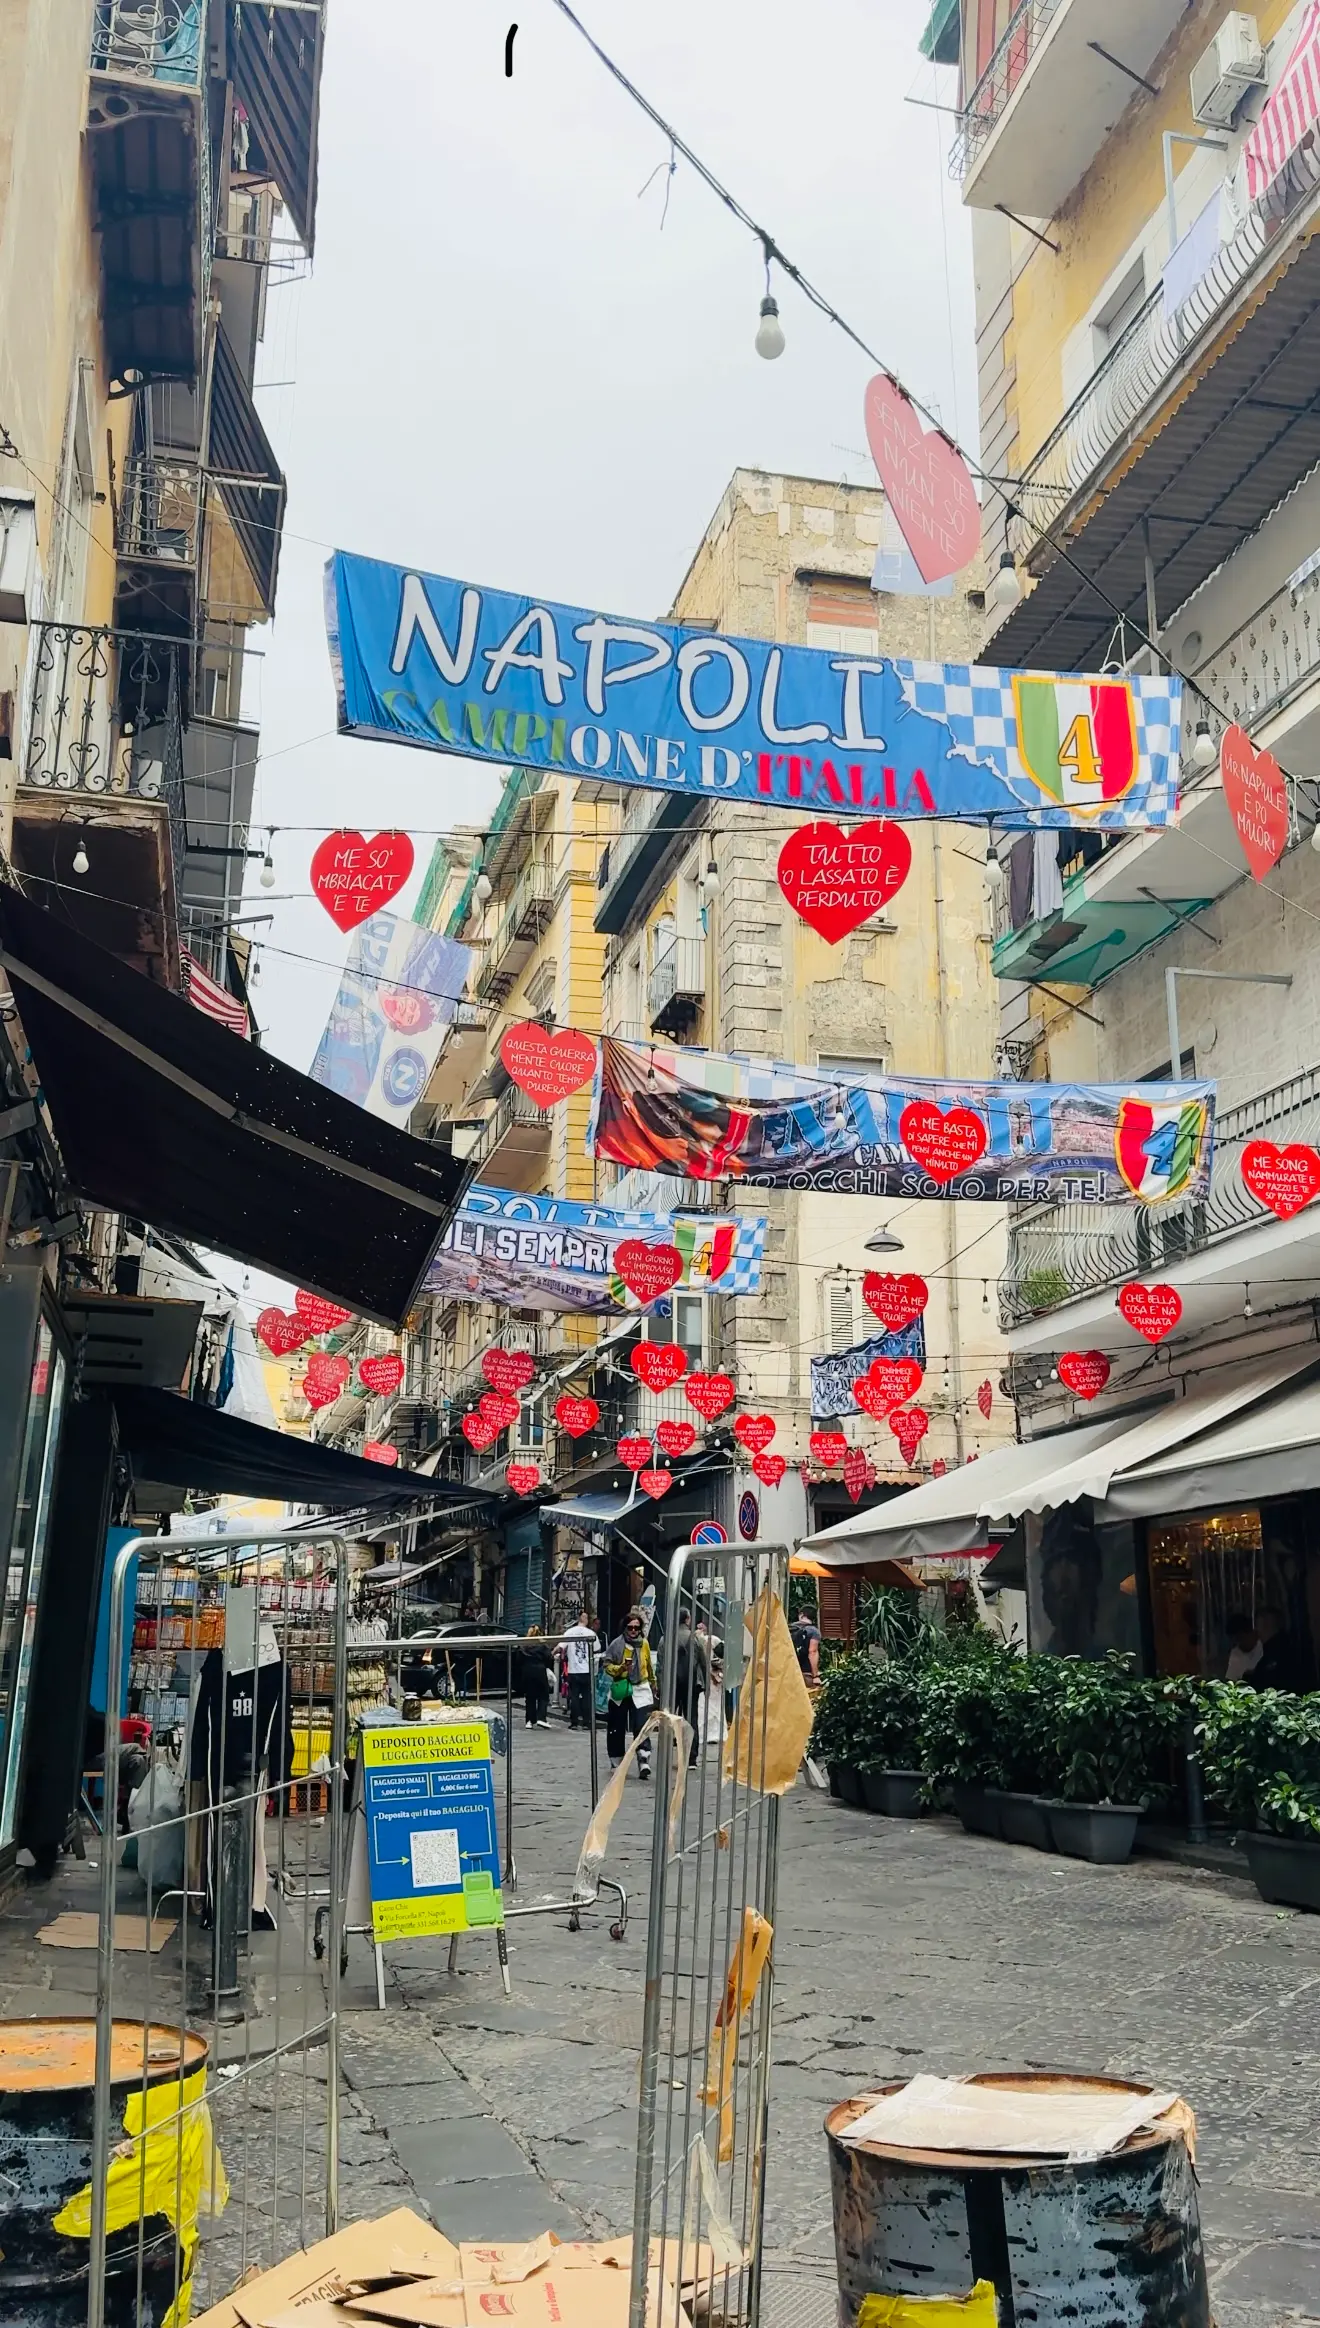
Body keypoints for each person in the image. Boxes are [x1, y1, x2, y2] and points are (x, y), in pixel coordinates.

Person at [604, 1609, 655, 1776]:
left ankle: (643, 1758)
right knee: (617, 1725)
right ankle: (616, 1760)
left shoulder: (644, 1644)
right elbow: (607, 1666)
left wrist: (654, 1683)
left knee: (642, 1724)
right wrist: (621, 1668)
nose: (634, 1631)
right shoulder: (616, 1644)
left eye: (637, 1628)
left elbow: (648, 1666)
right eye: (630, 1627)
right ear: (624, 1628)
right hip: (621, 1687)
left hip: (641, 1687)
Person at [671, 1608, 708, 1764]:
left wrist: (659, 1684)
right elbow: (703, 1662)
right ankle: (691, 1756)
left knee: (671, 1718)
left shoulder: (667, 1638)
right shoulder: (694, 1639)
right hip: (691, 1684)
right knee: (692, 1718)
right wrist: (705, 1684)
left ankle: (670, 1753)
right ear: (687, 1620)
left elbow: (660, 1663)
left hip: (672, 1684)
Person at [562, 1611, 597, 1728]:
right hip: (586, 1670)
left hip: (573, 1670)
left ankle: (574, 1722)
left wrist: (554, 1653)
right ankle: (587, 1722)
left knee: (574, 1697)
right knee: (587, 1697)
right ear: (586, 1620)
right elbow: (597, 1648)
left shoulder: (569, 1632)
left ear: (578, 1619)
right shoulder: (591, 1633)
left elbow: (561, 1646)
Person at [520, 1626, 554, 1727]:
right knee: (543, 1695)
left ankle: (529, 1721)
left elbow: (519, 1659)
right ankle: (541, 1718)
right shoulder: (542, 1645)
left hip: (527, 1672)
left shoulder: (524, 1646)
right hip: (540, 1671)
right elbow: (549, 1657)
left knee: (530, 1697)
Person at [1225, 1610, 1264, 1683]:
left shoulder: (1264, 1647)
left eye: (1240, 1638)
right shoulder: (1235, 1653)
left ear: (1251, 1633)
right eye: (1236, 1641)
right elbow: (1231, 1680)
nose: (1239, 1644)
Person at [790, 1608, 822, 1682]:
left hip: (788, 1670)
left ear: (801, 1615)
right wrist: (815, 1676)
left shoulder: (789, 1629)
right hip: (805, 1672)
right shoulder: (813, 1631)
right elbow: (812, 1652)